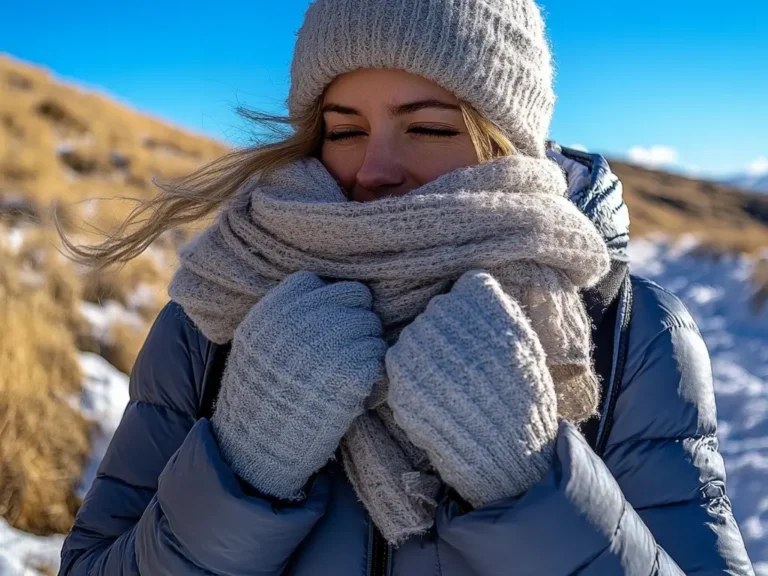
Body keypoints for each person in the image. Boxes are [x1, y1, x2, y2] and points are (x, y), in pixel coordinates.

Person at [59, 0, 755, 574]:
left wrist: (526, 481)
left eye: (426, 126)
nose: (375, 168)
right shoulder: (219, 311)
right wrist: (240, 471)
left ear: (506, 143)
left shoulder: (628, 329)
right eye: (343, 130)